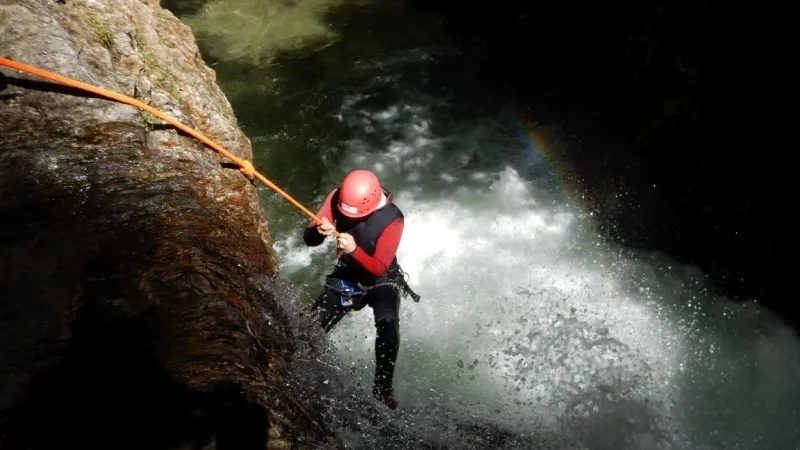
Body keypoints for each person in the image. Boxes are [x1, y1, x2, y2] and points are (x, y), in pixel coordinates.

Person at [303, 169, 418, 410]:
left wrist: (354, 250)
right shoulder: (338, 197)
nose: (350, 219)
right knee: (309, 329)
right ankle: (302, 370)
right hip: (348, 277)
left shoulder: (392, 217)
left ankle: (382, 389)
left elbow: (378, 267)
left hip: (381, 278)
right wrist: (318, 230)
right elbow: (310, 239)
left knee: (388, 324)